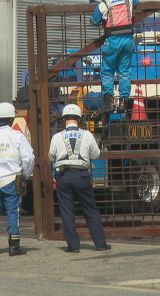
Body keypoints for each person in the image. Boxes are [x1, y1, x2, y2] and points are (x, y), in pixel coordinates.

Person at [48, 104, 110, 252]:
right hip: (82, 174)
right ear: (79, 119)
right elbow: (96, 154)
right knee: (90, 209)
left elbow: (51, 155)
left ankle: (73, 246)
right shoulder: (87, 135)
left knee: (67, 211)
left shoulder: (57, 137)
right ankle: (100, 244)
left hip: (63, 174)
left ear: (64, 119)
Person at [0, 102, 35, 257]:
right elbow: (29, 158)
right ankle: (14, 247)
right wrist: (25, 174)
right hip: (11, 180)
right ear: (11, 119)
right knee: (12, 212)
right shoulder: (17, 136)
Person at [90, 0, 140, 113]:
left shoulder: (103, 5)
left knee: (107, 73)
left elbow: (93, 21)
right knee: (124, 72)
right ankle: (123, 102)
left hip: (112, 42)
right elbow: (137, 0)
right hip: (128, 41)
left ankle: (108, 102)